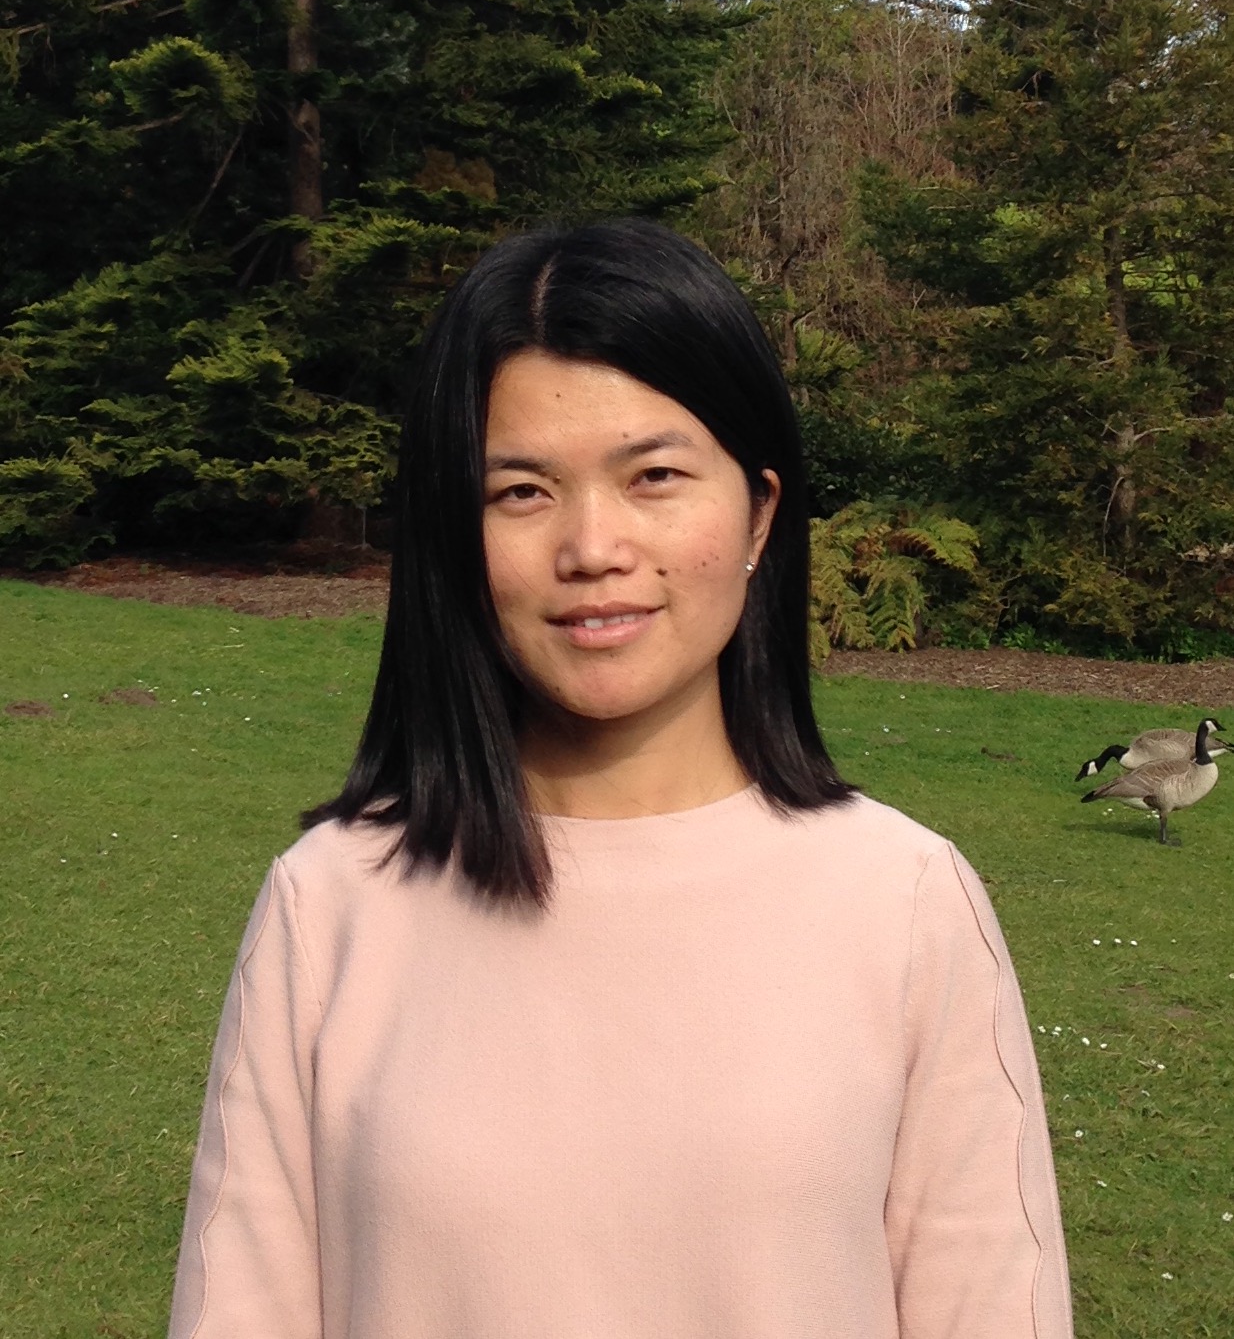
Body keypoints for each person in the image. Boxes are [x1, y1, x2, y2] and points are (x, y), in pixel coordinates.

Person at [168, 219, 1073, 1339]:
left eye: (654, 476)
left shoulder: (907, 903)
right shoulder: (330, 905)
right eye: (521, 492)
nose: (593, 547)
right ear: (455, 532)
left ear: (759, 512)